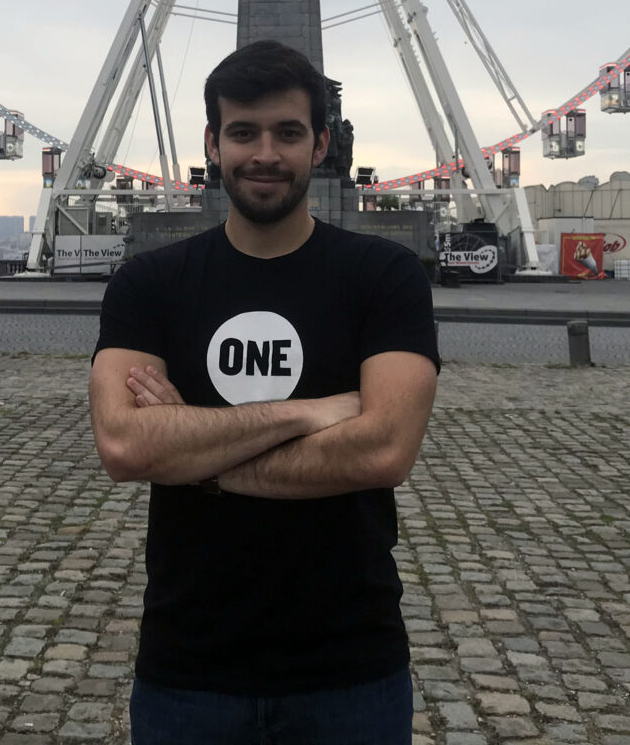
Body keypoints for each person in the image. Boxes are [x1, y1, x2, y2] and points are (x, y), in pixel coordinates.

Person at [89, 40, 439, 744]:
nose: (265, 154)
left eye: (288, 133)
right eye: (244, 133)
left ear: (322, 145)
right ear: (213, 144)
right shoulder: (148, 284)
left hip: (350, 667)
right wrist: (312, 412)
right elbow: (125, 445)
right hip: (188, 668)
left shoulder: (385, 277)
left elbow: (382, 451)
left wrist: (195, 453)